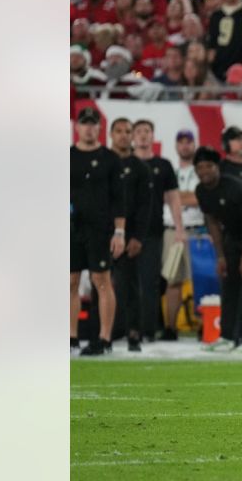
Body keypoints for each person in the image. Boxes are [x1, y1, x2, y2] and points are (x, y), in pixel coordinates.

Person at [195, 146, 242, 352]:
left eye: (209, 166)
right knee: (229, 285)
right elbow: (212, 222)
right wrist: (221, 256)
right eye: (199, 167)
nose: (204, 171)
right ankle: (227, 336)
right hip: (233, 236)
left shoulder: (235, 187)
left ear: (217, 167)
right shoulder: (201, 191)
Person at [71, 107, 126, 356]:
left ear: (99, 129)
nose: (89, 128)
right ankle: (71, 337)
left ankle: (104, 337)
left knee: (101, 281)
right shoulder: (67, 156)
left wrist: (119, 232)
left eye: (93, 124)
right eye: (85, 124)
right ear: (77, 127)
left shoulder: (110, 159)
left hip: (100, 228)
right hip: (71, 227)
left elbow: (119, 198)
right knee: (70, 281)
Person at [128, 120, 186, 347]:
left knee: (150, 281)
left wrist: (179, 228)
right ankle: (124, 327)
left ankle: (148, 329)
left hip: (152, 230)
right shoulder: (124, 163)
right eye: (139, 132)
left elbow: (173, 198)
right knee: (121, 281)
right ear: (133, 136)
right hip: (124, 231)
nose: (143, 136)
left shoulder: (163, 165)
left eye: (147, 132)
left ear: (153, 136)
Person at [107, 118, 154, 351]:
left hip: (129, 235)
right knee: (101, 284)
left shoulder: (140, 167)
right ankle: (105, 332)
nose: (124, 135)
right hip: (102, 233)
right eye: (119, 131)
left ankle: (134, 332)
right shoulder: (103, 161)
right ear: (110, 134)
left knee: (131, 285)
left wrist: (137, 237)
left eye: (128, 131)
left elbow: (145, 206)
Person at [162, 129, 204, 340]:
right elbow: (165, 196)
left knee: (204, 279)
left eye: (189, 142)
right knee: (173, 280)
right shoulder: (171, 170)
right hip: (173, 231)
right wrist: (184, 197)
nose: (185, 146)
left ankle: (206, 325)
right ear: (176, 146)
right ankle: (170, 328)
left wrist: (175, 197)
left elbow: (200, 197)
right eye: (181, 142)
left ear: (194, 144)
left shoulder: (201, 170)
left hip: (199, 230)